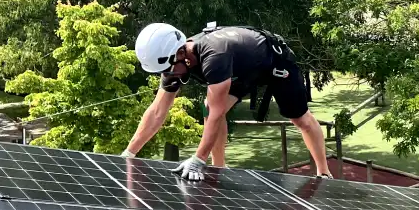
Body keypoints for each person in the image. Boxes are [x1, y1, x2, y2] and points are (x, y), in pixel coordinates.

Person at [121, 22, 332, 180]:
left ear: (181, 52)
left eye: (168, 69)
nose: (168, 75)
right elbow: (158, 111)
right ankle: (219, 166)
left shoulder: (214, 57)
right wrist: (129, 154)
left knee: (300, 119)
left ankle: (324, 173)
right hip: (241, 69)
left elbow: (217, 113)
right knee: (208, 107)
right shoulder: (175, 63)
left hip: (274, 63)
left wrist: (197, 160)